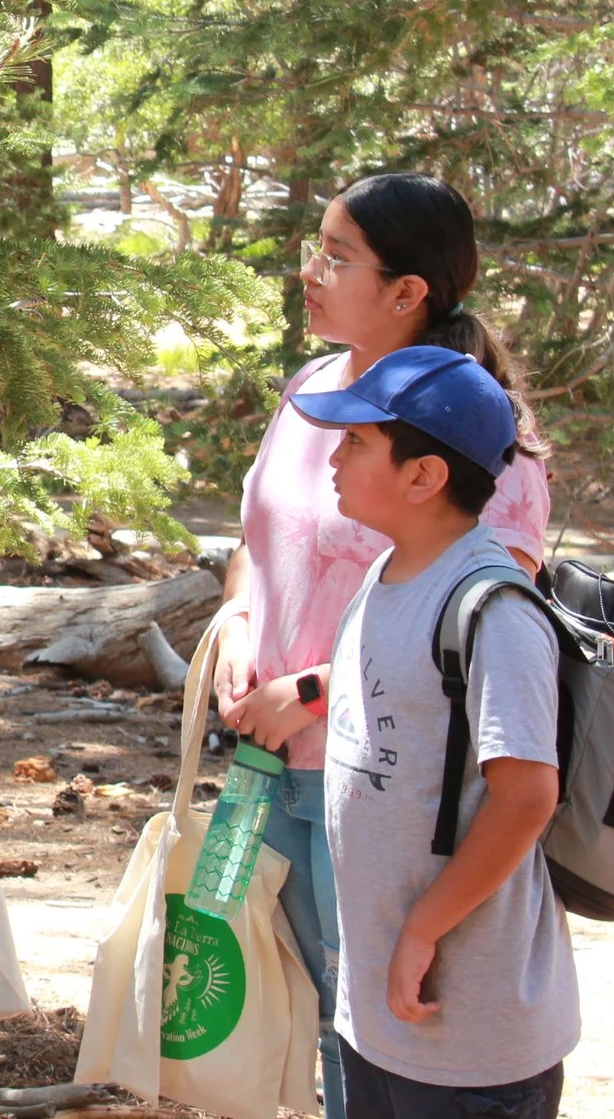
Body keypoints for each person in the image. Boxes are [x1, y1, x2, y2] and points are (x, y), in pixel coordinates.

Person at [215, 173, 549, 1106]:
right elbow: (259, 541)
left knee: (375, 1020)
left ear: (408, 292)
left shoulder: (485, 436)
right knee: (305, 998)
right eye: (315, 246)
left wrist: (312, 693)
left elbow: (477, 629)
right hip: (263, 760)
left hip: (379, 781)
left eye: (337, 256)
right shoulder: (312, 391)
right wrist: (240, 619)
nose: (309, 271)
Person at [282, 346, 576, 1119]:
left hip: (470, 1033)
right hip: (381, 1016)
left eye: (357, 442)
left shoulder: (493, 609)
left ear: (423, 476)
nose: (333, 458)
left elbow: (525, 795)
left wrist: (422, 927)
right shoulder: (384, 577)